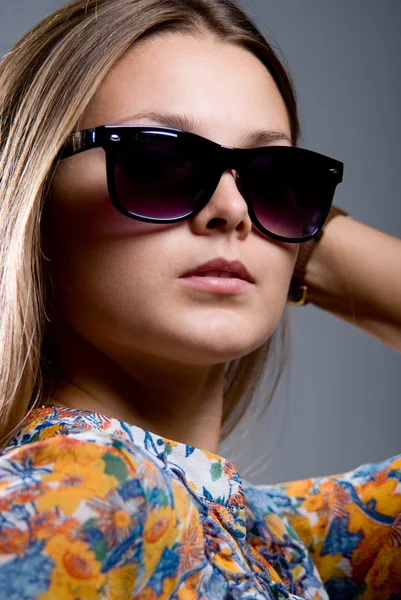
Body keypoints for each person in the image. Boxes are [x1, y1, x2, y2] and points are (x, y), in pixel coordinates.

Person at [0, 0, 400, 598]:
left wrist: (293, 231)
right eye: (158, 162)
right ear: (35, 194)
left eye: (276, 179)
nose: (234, 211)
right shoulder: (87, 495)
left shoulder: (277, 542)